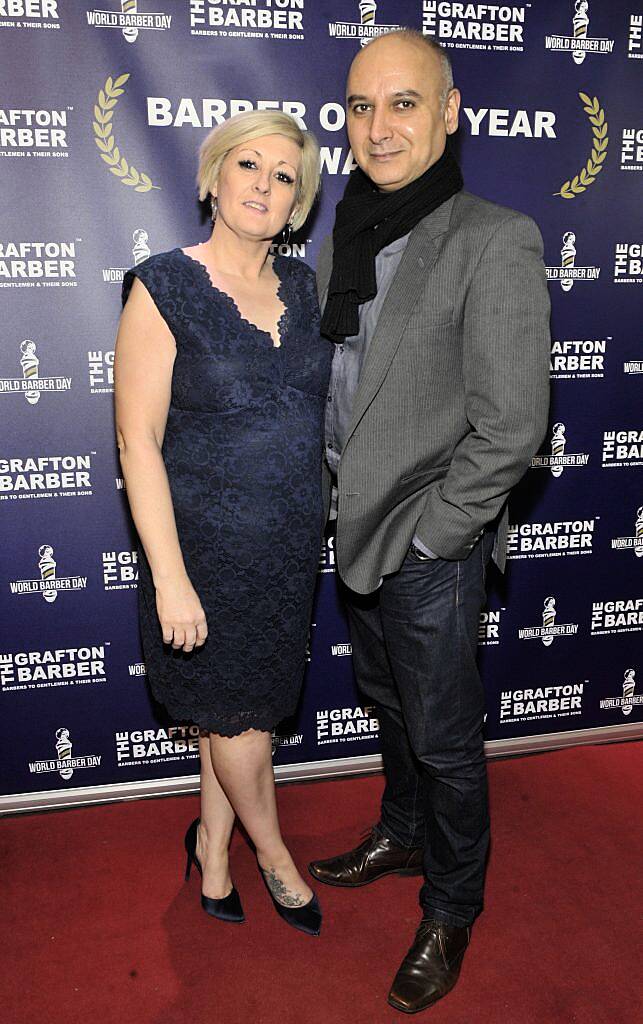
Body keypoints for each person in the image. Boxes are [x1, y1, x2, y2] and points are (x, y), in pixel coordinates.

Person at [308, 30, 551, 1011]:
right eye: (362, 107)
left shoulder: (495, 236)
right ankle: (401, 831)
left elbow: (513, 425)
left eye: (403, 104)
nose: (380, 127)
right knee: (391, 704)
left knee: (445, 734)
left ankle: (452, 903)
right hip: (349, 525)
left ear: (450, 113)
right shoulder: (347, 232)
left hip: (423, 542)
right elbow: (336, 389)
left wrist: (434, 534)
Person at [114, 110, 332, 936]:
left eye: (285, 177)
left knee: (237, 708)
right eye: (249, 165)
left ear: (299, 204)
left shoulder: (310, 289)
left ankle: (211, 847)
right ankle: (273, 856)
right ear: (213, 177)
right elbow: (136, 440)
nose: (264, 186)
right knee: (239, 715)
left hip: (286, 545)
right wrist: (169, 576)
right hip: (202, 546)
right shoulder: (163, 283)